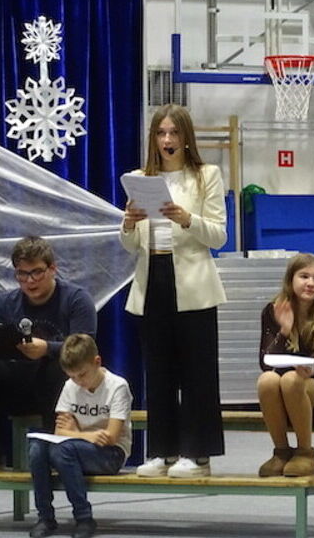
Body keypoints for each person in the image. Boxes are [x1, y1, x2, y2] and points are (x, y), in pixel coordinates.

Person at [120, 103, 227, 478]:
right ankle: (161, 450)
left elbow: (219, 235)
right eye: (161, 133)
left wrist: (187, 219)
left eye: (174, 133)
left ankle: (198, 454)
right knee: (158, 370)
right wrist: (128, 223)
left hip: (194, 282)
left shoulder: (206, 175)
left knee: (198, 371)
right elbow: (132, 245)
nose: (167, 140)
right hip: (154, 278)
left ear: (186, 138)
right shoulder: (140, 178)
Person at [0, 236, 97, 471]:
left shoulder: (76, 299)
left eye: (36, 273)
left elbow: (86, 348)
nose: (30, 281)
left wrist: (47, 348)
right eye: (22, 274)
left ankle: (53, 446)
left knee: (56, 365)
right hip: (18, 386)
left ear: (53, 269)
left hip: (62, 390)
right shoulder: (7, 302)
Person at [28, 333, 132, 538]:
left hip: (111, 454)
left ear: (97, 362)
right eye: (72, 376)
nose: (78, 381)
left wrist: (76, 433)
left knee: (62, 451)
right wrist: (84, 436)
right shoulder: (71, 385)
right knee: (37, 449)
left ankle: (84, 518)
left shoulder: (117, 386)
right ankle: (45, 517)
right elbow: (60, 431)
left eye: (82, 375)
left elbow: (111, 437)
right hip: (77, 447)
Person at [257, 253, 314, 477]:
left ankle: (305, 452)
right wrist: (284, 330)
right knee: (267, 380)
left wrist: (306, 370)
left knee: (292, 380)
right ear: (291, 279)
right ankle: (281, 452)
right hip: (281, 385)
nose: (311, 283)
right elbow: (265, 361)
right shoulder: (272, 311)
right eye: (304, 276)